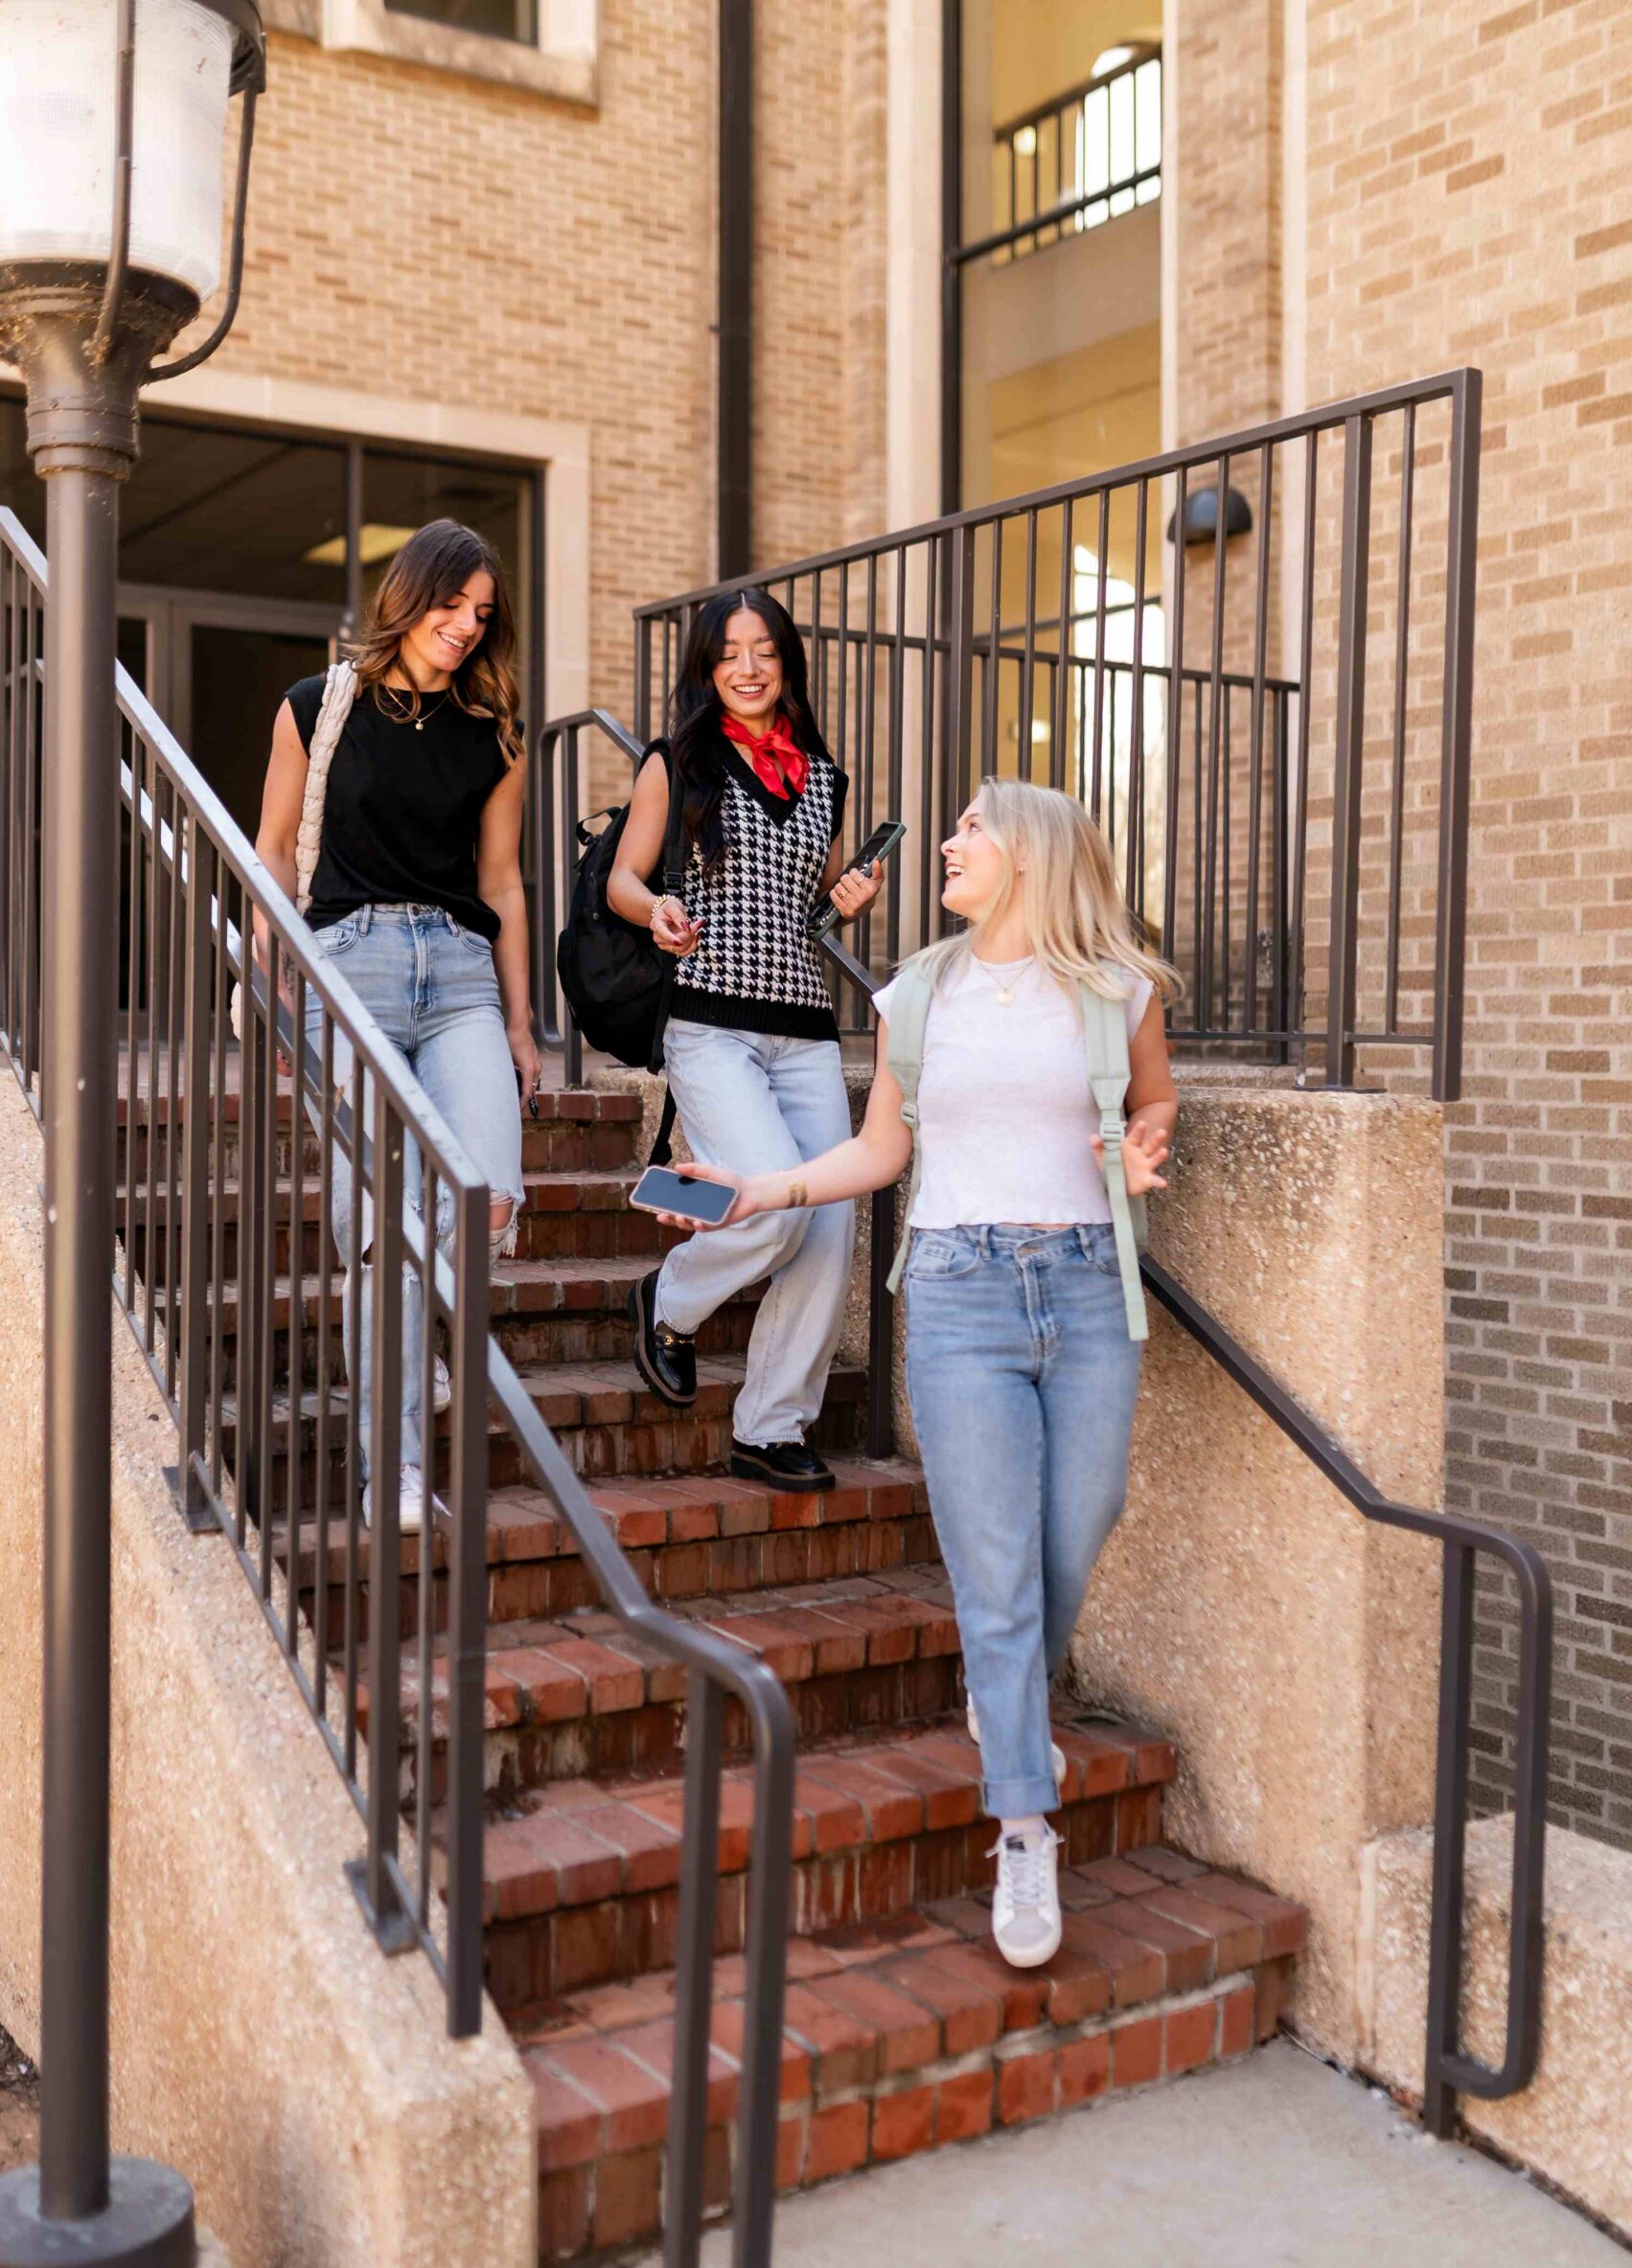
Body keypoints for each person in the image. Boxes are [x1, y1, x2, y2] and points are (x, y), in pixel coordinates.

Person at [654, 778, 1179, 1967]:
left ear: (1033, 856)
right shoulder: (916, 992)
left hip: (1090, 1284)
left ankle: (1004, 1702)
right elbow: (882, 1148)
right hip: (956, 1292)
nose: (947, 841)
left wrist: (1145, 1143)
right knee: (992, 1570)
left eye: (970, 828)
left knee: (1076, 1526)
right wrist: (761, 1188)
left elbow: (1152, 1099)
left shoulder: (1117, 990)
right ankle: (1022, 1819)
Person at [255, 518, 542, 1533]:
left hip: (460, 973)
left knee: (492, 1200)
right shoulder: (317, 704)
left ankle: (416, 1340)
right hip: (351, 969)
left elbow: (501, 879)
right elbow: (275, 848)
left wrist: (519, 1023)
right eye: (450, 603)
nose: (465, 626)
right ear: (406, 593)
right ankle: (399, 1474)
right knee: (378, 1237)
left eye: (481, 614)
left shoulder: (495, 731)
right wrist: (276, 973)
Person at [607, 586, 881, 1493]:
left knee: (830, 1223)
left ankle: (770, 1427)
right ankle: (672, 1299)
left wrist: (845, 900)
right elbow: (622, 882)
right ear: (706, 666)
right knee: (770, 1203)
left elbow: (812, 896)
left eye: (764, 650)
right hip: (711, 1022)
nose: (748, 667)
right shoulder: (676, 761)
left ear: (787, 660)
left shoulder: (824, 774)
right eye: (729, 653)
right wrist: (658, 909)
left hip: (802, 1029)